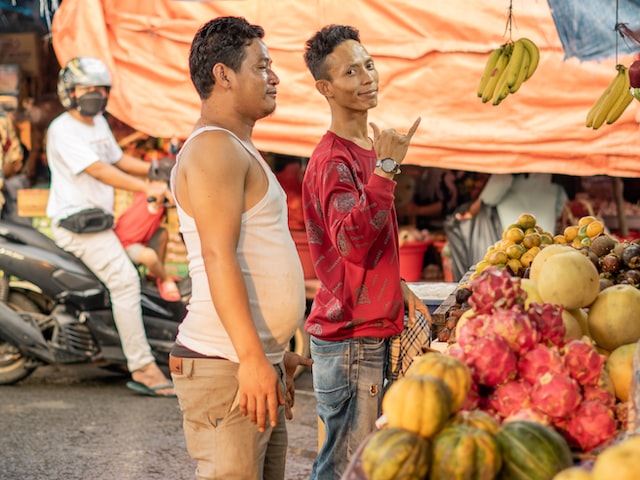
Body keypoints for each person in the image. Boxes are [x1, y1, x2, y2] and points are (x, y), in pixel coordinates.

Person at [168, 16, 313, 479]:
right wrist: (252, 357)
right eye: (262, 66)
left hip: (249, 361)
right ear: (223, 75)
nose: (273, 77)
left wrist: (271, 353)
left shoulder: (237, 147)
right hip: (226, 365)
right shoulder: (214, 149)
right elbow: (218, 257)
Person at [302, 25, 431, 479]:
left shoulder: (366, 151)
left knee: (363, 461)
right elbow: (351, 242)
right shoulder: (333, 160)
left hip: (366, 328)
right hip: (350, 338)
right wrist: (389, 168)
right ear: (325, 88)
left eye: (369, 64)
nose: (366, 77)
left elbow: (366, 247)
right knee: (347, 468)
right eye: (350, 71)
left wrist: (396, 285)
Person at [45, 56, 175, 397]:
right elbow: (98, 170)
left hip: (99, 223)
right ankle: (143, 367)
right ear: (69, 92)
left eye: (102, 89)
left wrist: (154, 170)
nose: (96, 95)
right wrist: (147, 188)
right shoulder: (62, 129)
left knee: (136, 264)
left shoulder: (98, 122)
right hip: (78, 226)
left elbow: (115, 159)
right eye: (88, 88)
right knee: (126, 281)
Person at [113, 157, 181, 302]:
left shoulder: (162, 200)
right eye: (159, 184)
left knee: (162, 233)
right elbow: (157, 199)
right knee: (149, 256)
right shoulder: (150, 197)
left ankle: (158, 272)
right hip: (125, 244)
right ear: (148, 183)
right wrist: (163, 192)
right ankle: (165, 279)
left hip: (142, 241)